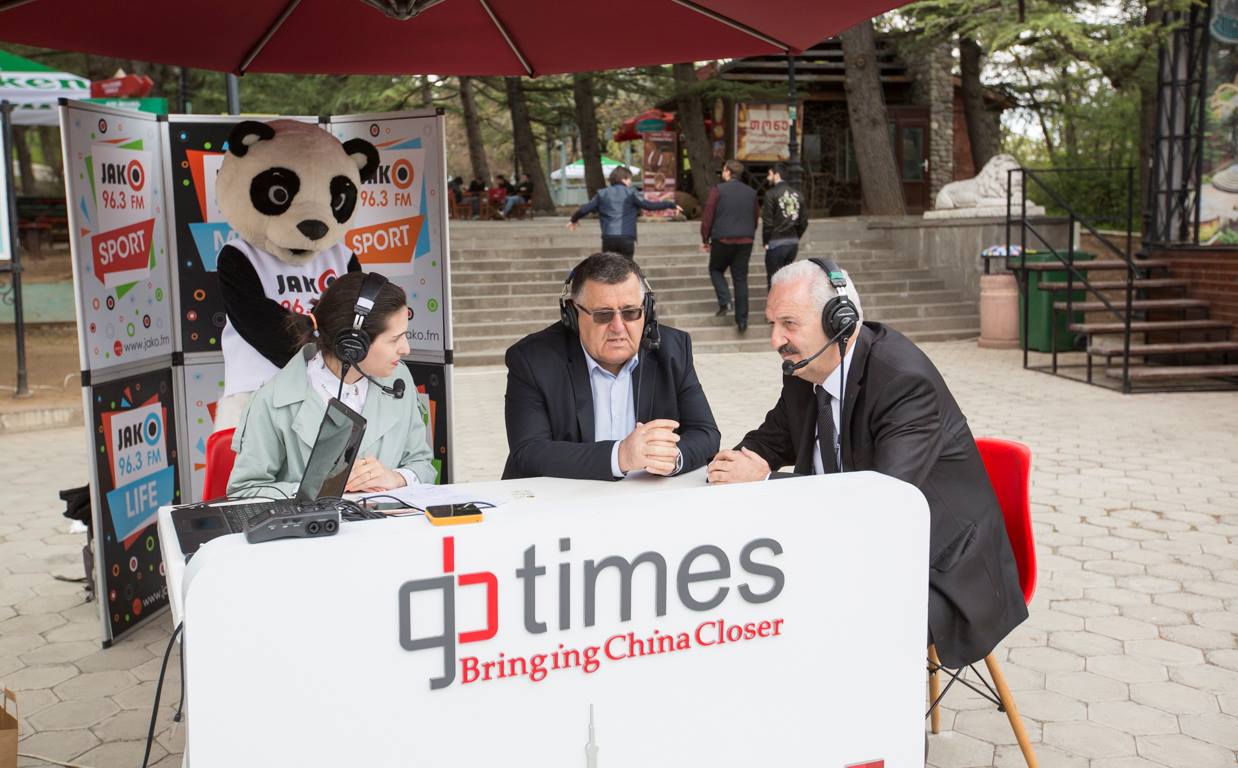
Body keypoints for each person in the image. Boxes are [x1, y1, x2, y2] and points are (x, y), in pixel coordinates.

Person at [706, 260, 1028, 669]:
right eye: (772, 323)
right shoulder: (806, 369)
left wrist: (765, 481)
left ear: (840, 322)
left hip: (939, 567)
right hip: (852, 550)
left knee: (826, 625)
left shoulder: (904, 382)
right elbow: (770, 440)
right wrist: (729, 466)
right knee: (753, 604)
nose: (775, 340)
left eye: (789, 324)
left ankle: (859, 709)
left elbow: (879, 501)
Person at [503, 251, 720, 481]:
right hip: (558, 497)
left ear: (647, 310)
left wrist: (671, 458)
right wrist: (620, 456)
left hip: (645, 496)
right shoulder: (532, 359)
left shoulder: (674, 350)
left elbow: (706, 433)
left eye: (630, 312)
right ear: (572, 315)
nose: (618, 327)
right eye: (603, 315)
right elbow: (529, 451)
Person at [228, 272, 436, 498]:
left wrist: (396, 478)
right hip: (316, 523)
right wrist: (313, 490)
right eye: (395, 339)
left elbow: (423, 465)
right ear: (354, 344)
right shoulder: (272, 401)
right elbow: (244, 491)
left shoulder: (399, 379)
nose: (406, 349)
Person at [566, 166, 681, 258]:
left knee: (610, 271)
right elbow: (649, 205)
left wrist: (573, 219)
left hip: (608, 238)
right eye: (630, 179)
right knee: (626, 271)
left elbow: (585, 209)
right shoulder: (631, 193)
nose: (630, 182)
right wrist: (671, 205)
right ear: (624, 179)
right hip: (626, 238)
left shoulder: (602, 193)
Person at [700, 159, 759, 332]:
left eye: (724, 170)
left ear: (727, 172)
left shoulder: (718, 190)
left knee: (715, 269)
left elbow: (708, 215)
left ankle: (725, 301)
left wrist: (705, 238)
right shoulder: (751, 192)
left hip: (723, 239)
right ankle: (742, 320)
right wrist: (750, 232)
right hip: (745, 240)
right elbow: (755, 217)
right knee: (740, 279)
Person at [762, 162, 808, 288]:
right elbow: (803, 221)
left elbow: (768, 222)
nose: (768, 177)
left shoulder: (770, 194)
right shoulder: (798, 195)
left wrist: (766, 241)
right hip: (792, 243)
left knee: (773, 280)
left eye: (769, 174)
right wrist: (796, 236)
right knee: (787, 280)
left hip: (776, 242)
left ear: (776, 175)